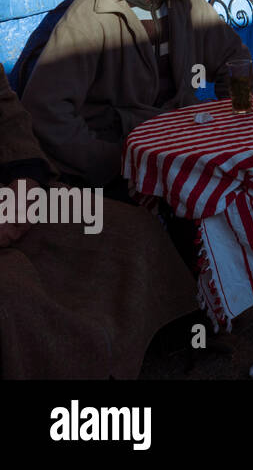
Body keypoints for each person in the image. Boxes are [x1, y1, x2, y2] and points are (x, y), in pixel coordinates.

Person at [22, 0, 251, 188]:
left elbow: (234, 58)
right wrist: (113, 163)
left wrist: (237, 113)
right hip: (120, 159)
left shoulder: (186, 2)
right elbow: (46, 111)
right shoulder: (91, 17)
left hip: (182, 146)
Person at [0, 67, 197, 378]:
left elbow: (9, 117)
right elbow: (48, 108)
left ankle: (123, 356)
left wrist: (25, 180)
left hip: (11, 198)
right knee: (13, 299)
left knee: (131, 231)